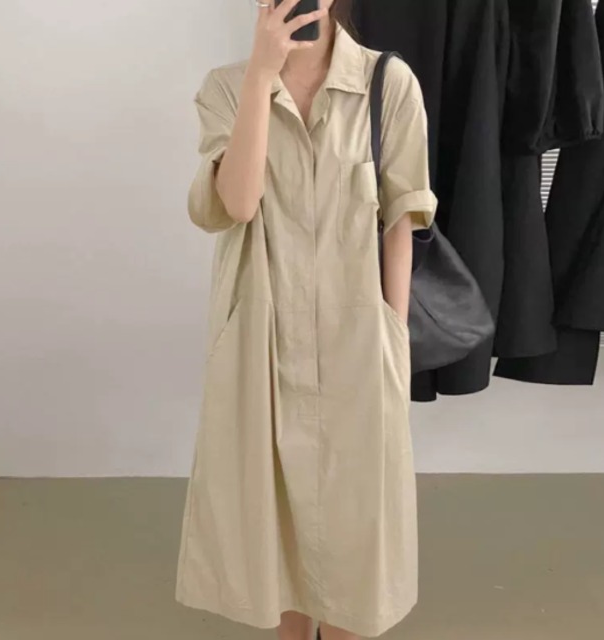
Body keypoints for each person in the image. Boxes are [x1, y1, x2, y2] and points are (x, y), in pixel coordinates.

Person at [174, 1, 438, 639]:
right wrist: (261, 77)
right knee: (275, 526)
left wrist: (392, 335)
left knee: (356, 530)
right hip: (260, 338)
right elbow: (238, 202)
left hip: (358, 339)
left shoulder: (387, 84)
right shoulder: (226, 88)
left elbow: (401, 221)